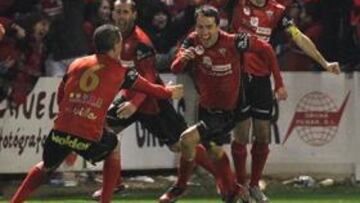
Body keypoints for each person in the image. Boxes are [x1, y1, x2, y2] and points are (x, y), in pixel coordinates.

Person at [10, 24, 183, 203]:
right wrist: (169, 92)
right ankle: (106, 199)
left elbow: (61, 93)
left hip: (61, 130)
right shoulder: (122, 72)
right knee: (113, 146)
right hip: (88, 134)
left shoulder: (76, 64)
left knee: (46, 166)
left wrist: (68, 115)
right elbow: (151, 88)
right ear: (117, 46)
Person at [91, 0, 222, 199]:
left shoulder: (141, 41)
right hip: (129, 98)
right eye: (117, 11)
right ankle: (115, 183)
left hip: (152, 102)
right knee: (103, 130)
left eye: (125, 12)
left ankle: (225, 177)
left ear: (134, 15)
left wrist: (134, 104)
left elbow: (149, 77)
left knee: (181, 144)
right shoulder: (112, 39)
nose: (121, 16)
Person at [159, 5, 280, 203]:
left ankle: (179, 188)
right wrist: (183, 58)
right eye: (200, 27)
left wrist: (279, 81)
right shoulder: (191, 41)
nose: (204, 32)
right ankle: (233, 188)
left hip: (230, 111)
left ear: (218, 27)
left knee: (187, 140)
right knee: (213, 152)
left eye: (208, 27)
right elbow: (175, 68)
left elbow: (265, 48)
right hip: (207, 109)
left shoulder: (233, 41)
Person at [229, 0, 341, 202]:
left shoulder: (278, 11)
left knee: (262, 134)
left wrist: (324, 62)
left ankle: (254, 186)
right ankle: (241, 185)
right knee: (242, 134)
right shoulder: (237, 4)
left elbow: (298, 37)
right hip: (239, 76)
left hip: (262, 78)